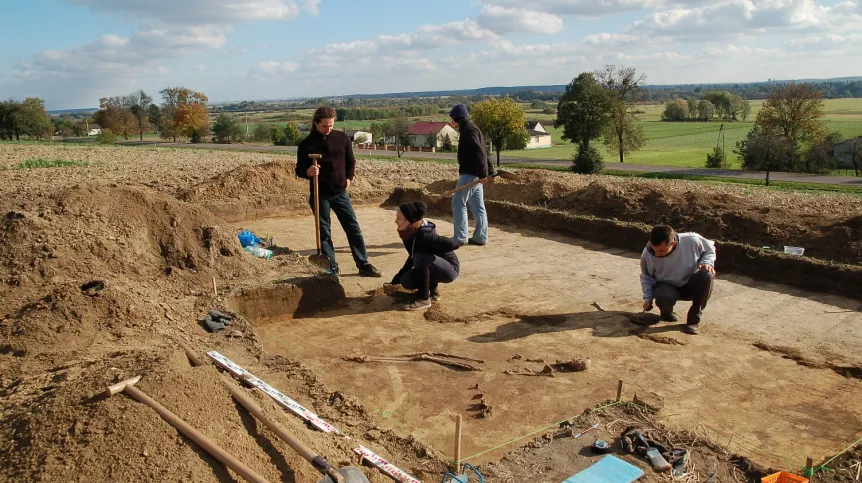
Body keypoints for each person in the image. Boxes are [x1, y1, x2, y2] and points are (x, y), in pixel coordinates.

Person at [295, 106, 382, 281]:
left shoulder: (341, 138)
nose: (328, 129)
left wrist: (348, 178)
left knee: (353, 228)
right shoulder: (306, 144)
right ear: (316, 123)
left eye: (331, 125)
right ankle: (331, 267)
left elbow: (351, 161)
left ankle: (363, 264)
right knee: (324, 232)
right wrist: (308, 172)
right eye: (325, 126)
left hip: (340, 192)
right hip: (320, 194)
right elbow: (299, 170)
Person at [639, 224, 716, 335]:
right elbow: (646, 276)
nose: (656, 254)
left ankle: (693, 321)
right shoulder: (647, 254)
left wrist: (707, 262)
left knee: (707, 275)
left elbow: (710, 249)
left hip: (691, 284)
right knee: (663, 295)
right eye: (654, 249)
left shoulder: (692, 240)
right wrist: (648, 298)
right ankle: (666, 312)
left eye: (661, 251)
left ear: (673, 244)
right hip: (667, 287)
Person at [389, 201, 461, 311]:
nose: (395, 221)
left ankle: (423, 299)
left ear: (409, 220)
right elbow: (412, 255)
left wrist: (438, 244)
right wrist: (398, 277)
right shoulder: (410, 231)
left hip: (450, 269)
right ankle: (432, 290)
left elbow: (453, 244)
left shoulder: (425, 235)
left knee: (421, 256)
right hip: (431, 263)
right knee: (406, 280)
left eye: (399, 218)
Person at [448, 103, 496, 246]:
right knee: (477, 205)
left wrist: (483, 174)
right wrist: (490, 171)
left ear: (458, 118)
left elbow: (479, 152)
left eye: (453, 119)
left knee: (458, 202)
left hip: (470, 173)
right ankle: (480, 237)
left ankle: (460, 237)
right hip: (476, 173)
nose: (452, 122)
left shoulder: (468, 131)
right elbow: (484, 151)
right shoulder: (473, 128)